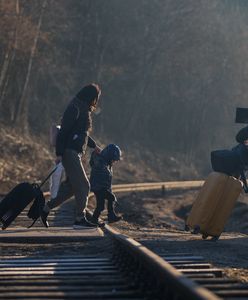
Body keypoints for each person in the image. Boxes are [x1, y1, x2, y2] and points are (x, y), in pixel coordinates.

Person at [41, 83, 102, 229]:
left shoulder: (83, 108)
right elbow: (64, 132)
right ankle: (80, 219)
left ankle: (44, 209)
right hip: (70, 153)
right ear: (90, 96)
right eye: (96, 98)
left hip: (75, 153)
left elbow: (83, 134)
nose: (96, 101)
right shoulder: (74, 108)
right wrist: (59, 154)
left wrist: (95, 147)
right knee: (84, 185)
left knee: (71, 188)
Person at [89, 144, 122, 226]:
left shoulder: (107, 163)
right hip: (98, 187)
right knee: (110, 198)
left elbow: (107, 179)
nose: (114, 161)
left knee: (101, 205)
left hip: (102, 187)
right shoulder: (100, 162)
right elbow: (94, 163)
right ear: (109, 156)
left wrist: (109, 190)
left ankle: (97, 219)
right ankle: (109, 216)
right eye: (113, 159)